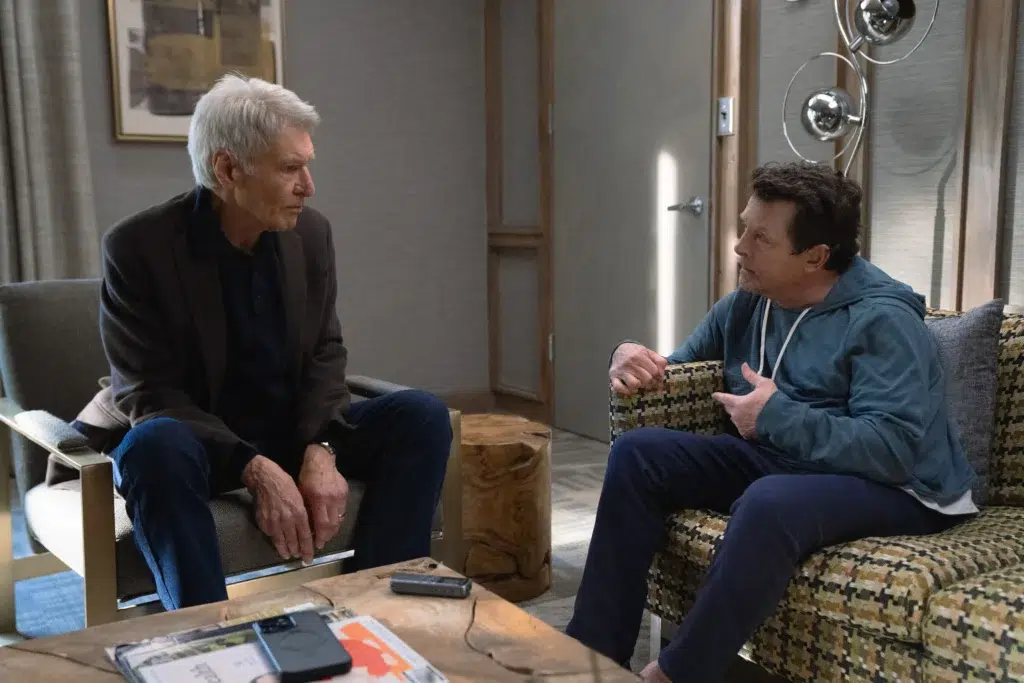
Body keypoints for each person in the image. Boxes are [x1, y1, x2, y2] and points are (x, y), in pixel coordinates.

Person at [564, 161, 977, 683]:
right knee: (638, 454)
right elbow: (672, 370)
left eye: (761, 238)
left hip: (901, 487)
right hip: (783, 460)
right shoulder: (748, 303)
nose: (740, 247)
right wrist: (626, 356)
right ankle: (591, 661)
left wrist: (777, 416)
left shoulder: (883, 320)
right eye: (744, 228)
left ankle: (676, 674)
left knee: (768, 502)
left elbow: (893, 448)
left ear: (815, 257)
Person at [71, 74, 452, 611]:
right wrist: (255, 468)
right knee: (152, 447)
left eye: (307, 165)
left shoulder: (311, 234)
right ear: (228, 170)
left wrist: (321, 449)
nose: (308, 186)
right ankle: (207, 629)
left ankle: (378, 607)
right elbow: (148, 393)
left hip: (290, 429)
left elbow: (325, 352)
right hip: (201, 446)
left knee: (421, 415)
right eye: (290, 168)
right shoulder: (138, 247)